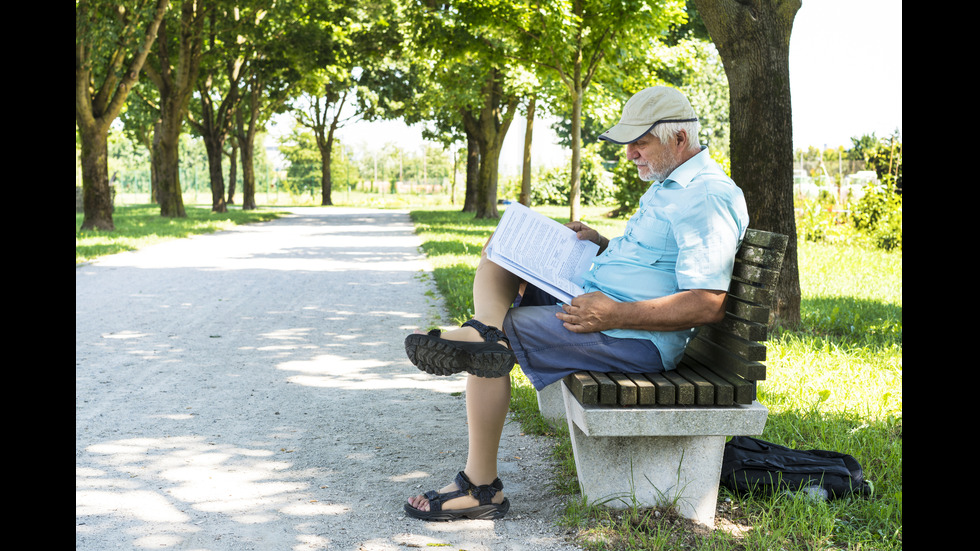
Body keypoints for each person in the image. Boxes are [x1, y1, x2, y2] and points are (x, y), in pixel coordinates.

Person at [401, 86, 749, 521]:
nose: (630, 155)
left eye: (640, 143)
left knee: (495, 345)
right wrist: (600, 244)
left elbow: (709, 303)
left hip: (632, 335)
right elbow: (654, 263)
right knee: (503, 247)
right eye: (629, 145)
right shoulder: (670, 185)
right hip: (603, 303)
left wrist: (615, 312)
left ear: (679, 139)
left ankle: (481, 488)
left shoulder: (706, 196)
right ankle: (484, 329)